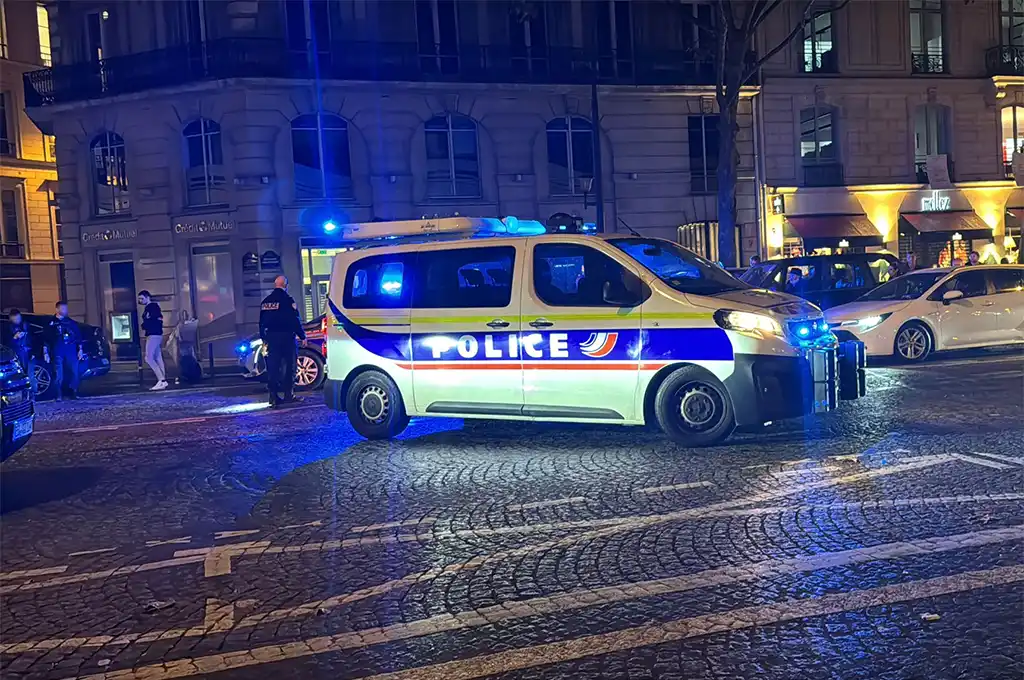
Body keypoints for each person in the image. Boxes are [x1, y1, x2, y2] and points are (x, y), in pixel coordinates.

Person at [259, 275, 306, 407]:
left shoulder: (266, 302)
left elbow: (261, 323)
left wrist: (264, 339)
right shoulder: (287, 300)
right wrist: (302, 336)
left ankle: (273, 397)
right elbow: (294, 320)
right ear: (285, 286)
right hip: (286, 338)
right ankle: (288, 395)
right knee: (290, 366)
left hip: (271, 338)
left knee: (273, 368)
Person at [44, 301, 82, 400]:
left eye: (66, 308)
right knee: (58, 374)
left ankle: (73, 392)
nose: (65, 311)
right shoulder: (51, 323)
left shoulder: (71, 322)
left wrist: (80, 350)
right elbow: (46, 339)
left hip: (71, 350)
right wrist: (46, 352)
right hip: (57, 351)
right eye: (63, 308)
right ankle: (58, 394)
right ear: (57, 309)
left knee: (74, 372)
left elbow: (78, 337)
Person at [138, 290, 167, 391]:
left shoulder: (151, 307)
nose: (140, 301)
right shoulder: (153, 307)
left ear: (147, 297)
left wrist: (145, 324)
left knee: (149, 358)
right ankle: (163, 380)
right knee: (158, 357)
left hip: (153, 334)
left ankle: (162, 380)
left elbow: (152, 320)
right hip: (156, 334)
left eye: (142, 298)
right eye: (139, 299)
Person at [3, 309, 36, 393]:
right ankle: (23, 394)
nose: (17, 321)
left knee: (30, 375)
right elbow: (5, 344)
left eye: (18, 318)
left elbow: (33, 339)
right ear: (10, 318)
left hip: (28, 353)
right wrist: (14, 338)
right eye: (14, 319)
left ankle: (32, 394)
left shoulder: (26, 325)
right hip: (16, 355)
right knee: (19, 376)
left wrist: (34, 352)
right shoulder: (6, 328)